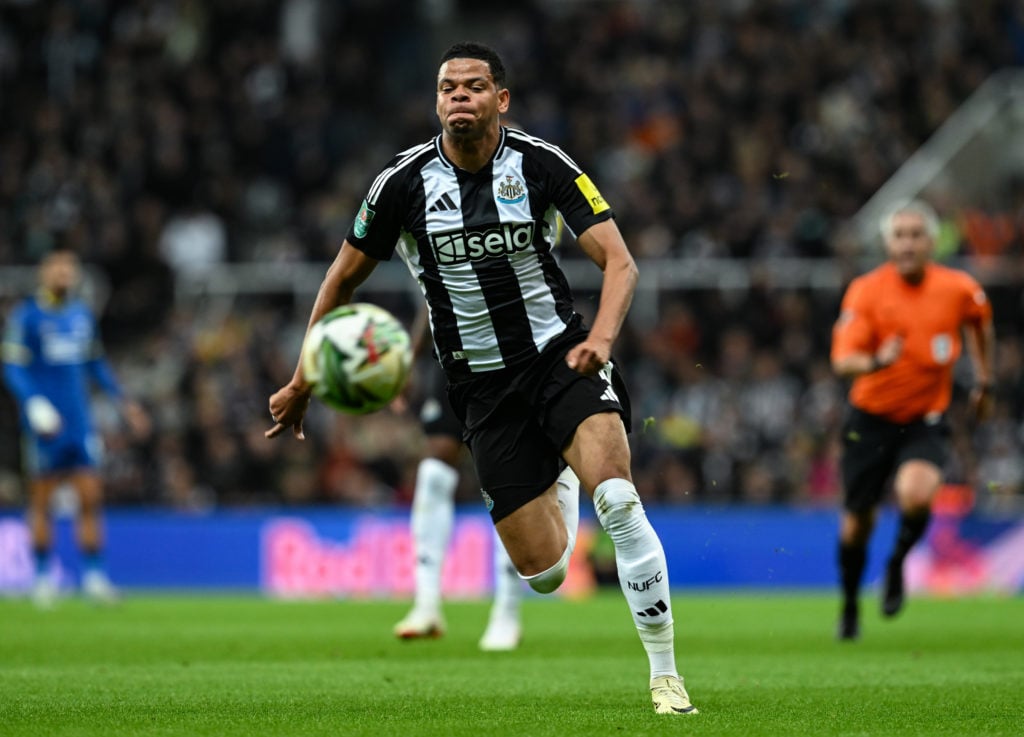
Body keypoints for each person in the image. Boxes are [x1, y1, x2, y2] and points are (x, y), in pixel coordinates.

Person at [267, 41, 698, 715]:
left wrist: (600, 342)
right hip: (479, 388)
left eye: (473, 86)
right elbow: (340, 278)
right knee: (547, 574)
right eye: (447, 88)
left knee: (617, 499)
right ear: (436, 101)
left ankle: (665, 675)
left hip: (561, 358)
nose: (458, 97)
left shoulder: (541, 164)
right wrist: (303, 378)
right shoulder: (401, 185)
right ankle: (558, 471)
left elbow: (621, 262)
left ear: (501, 99)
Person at [830, 199, 995, 640]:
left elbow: (981, 321)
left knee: (917, 495)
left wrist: (984, 380)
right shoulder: (866, 291)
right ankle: (849, 605)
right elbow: (842, 361)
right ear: (888, 243)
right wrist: (876, 361)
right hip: (869, 419)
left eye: (915, 234)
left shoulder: (958, 289)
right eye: (899, 235)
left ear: (932, 241)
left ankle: (897, 563)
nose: (907, 243)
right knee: (857, 522)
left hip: (925, 417)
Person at [393, 340, 581, 651]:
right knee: (433, 467)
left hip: (510, 352)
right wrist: (410, 358)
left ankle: (506, 611)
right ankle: (426, 604)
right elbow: (430, 293)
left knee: (506, 472)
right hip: (455, 356)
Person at [2, 248, 150, 607]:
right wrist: (33, 403)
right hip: (45, 425)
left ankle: (95, 577)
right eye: (58, 268)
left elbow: (95, 364)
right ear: (44, 273)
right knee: (42, 500)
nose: (65, 275)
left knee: (89, 498)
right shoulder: (27, 317)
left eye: (70, 269)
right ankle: (41, 579)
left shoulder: (81, 315)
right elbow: (12, 367)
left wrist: (124, 401)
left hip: (80, 422)